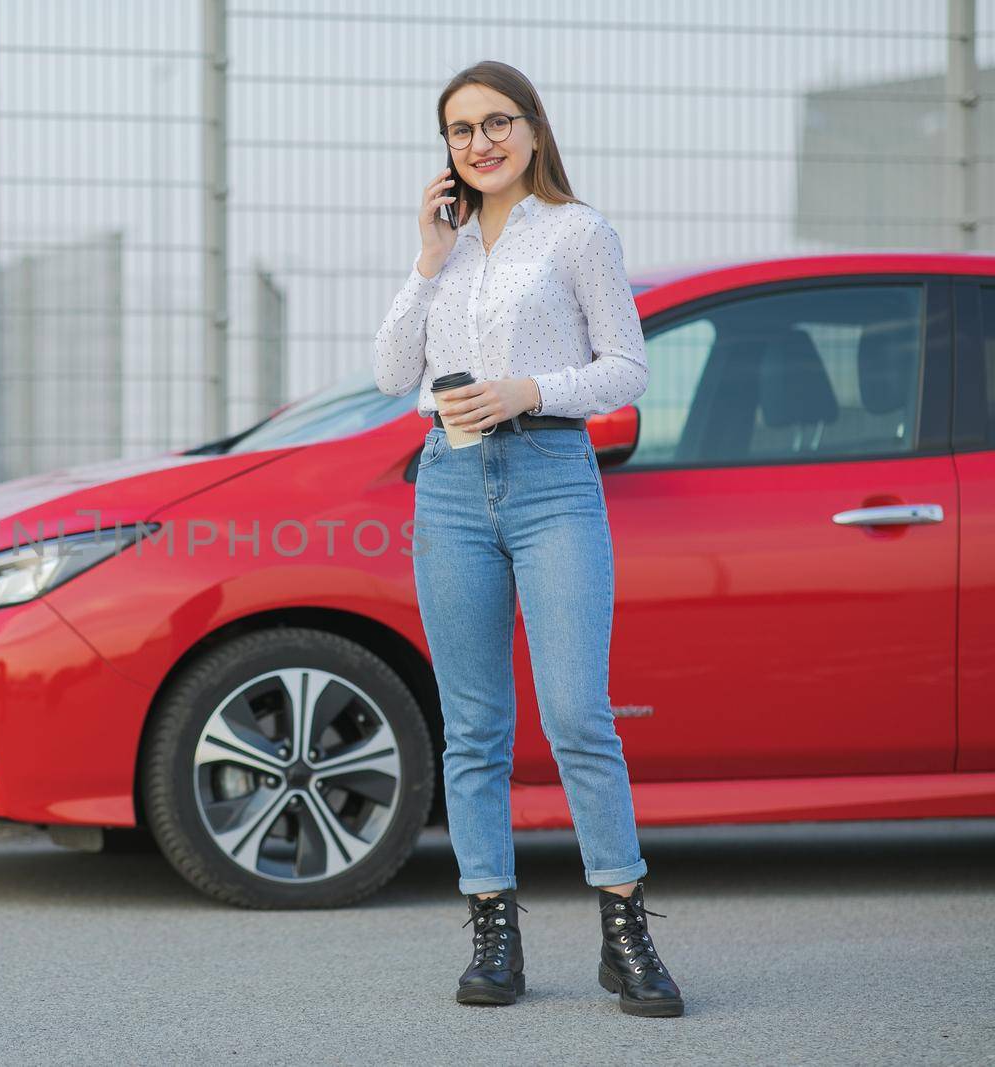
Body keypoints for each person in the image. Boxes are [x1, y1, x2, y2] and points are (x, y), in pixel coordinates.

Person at [372, 60, 683, 1018]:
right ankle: (493, 928)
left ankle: (624, 926)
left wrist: (529, 391)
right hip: (452, 486)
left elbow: (627, 365)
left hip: (551, 479)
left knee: (578, 713)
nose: (480, 143)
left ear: (533, 129)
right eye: (460, 131)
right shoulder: (449, 248)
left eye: (496, 122)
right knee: (473, 728)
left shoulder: (577, 231)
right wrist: (426, 258)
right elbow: (391, 374)